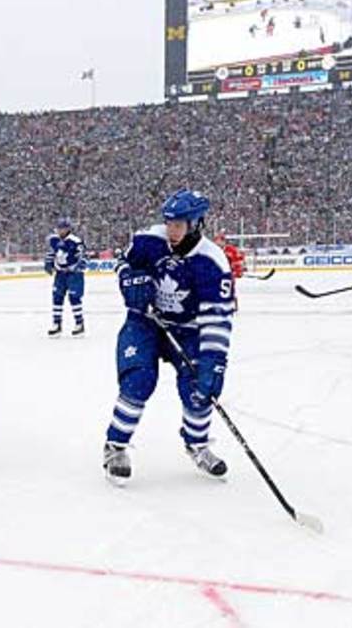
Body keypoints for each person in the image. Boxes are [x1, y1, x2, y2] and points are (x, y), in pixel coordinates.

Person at [102, 190, 236, 484]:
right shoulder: (148, 240)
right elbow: (123, 263)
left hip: (187, 330)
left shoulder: (212, 261)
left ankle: (197, 444)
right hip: (145, 322)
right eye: (169, 223)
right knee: (138, 380)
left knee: (199, 391)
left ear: (196, 224)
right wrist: (129, 279)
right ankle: (115, 446)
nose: (172, 230)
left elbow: (217, 317)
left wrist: (213, 360)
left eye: (179, 224)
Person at [44, 218, 86, 337]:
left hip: (74, 274)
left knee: (74, 297)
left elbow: (83, 256)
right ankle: (56, 323)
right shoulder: (54, 240)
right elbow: (51, 253)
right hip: (60, 274)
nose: (60, 231)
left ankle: (79, 323)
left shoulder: (75, 241)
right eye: (58, 228)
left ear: (68, 229)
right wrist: (48, 263)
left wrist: (78, 267)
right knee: (57, 297)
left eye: (62, 228)